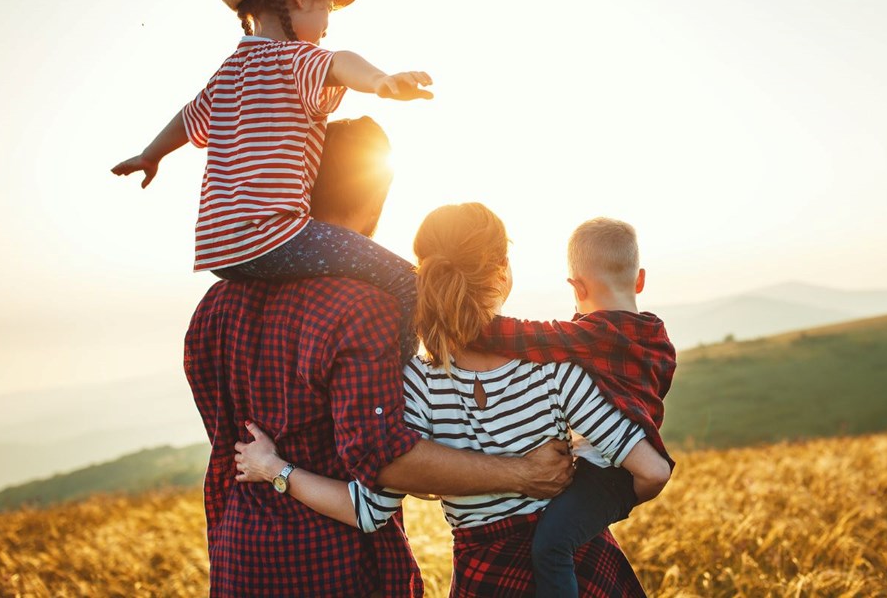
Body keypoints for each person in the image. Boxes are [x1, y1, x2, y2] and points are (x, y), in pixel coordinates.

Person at [185, 119, 573, 597]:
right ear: (376, 193)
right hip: (338, 568)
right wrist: (523, 474)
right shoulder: (364, 306)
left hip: (238, 561)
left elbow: (225, 434)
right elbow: (385, 459)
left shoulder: (213, 307)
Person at [235, 203, 672, 597]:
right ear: (502, 272)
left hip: (486, 579)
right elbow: (647, 468)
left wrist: (274, 468)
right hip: (581, 573)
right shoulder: (555, 367)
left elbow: (367, 511)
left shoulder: (416, 385)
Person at [112, 0, 432, 360]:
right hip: (276, 235)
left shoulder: (228, 72)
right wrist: (381, 82)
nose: (325, 27)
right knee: (407, 281)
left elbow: (188, 118)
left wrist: (150, 155)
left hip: (219, 251)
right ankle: (405, 384)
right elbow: (341, 62)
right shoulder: (295, 59)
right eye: (326, 12)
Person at [470, 217, 678, 598]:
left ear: (576, 287)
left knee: (552, 547)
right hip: (617, 470)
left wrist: (460, 320)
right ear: (640, 279)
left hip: (604, 474)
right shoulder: (657, 337)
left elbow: (521, 336)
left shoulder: (588, 337)